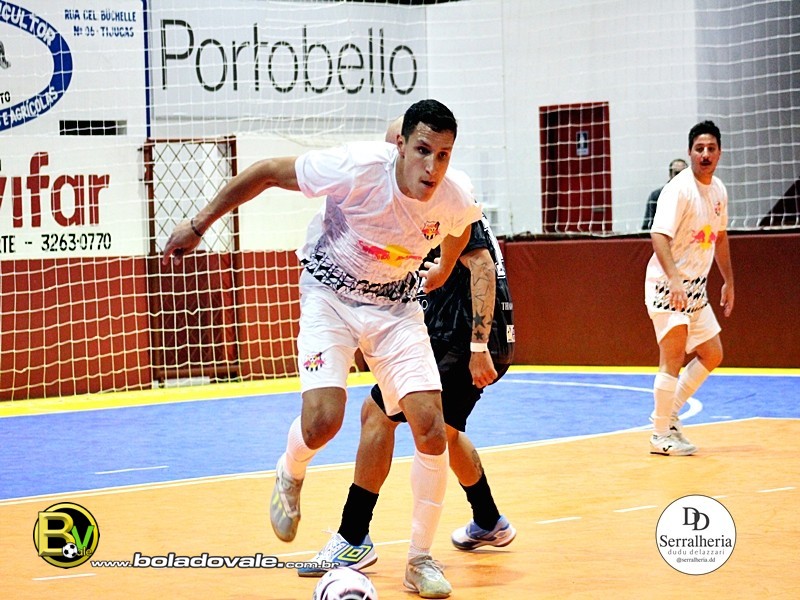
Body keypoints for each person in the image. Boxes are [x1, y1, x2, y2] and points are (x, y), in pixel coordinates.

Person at [161, 99, 482, 596]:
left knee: (430, 428)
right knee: (322, 422)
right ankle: (290, 470)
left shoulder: (454, 193)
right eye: (423, 150)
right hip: (329, 296)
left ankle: (419, 559)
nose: (432, 167)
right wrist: (200, 226)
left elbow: (458, 227)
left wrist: (441, 268)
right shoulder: (358, 167)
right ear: (400, 145)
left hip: (395, 308)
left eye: (443, 155)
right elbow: (267, 171)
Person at [296, 117, 516, 598]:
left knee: (385, 417)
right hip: (452, 331)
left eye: (430, 152)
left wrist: (479, 346)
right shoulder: (396, 191)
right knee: (440, 430)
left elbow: (480, 264)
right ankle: (488, 520)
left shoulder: (447, 199)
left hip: (463, 333)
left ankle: (358, 539)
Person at [645, 120, 734, 456]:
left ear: (719, 153)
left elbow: (720, 238)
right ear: (690, 152)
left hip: (695, 289)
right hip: (668, 286)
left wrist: (728, 280)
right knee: (672, 358)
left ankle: (669, 414)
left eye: (711, 148)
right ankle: (659, 434)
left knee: (713, 353)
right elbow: (658, 235)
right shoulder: (679, 189)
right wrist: (673, 278)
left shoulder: (719, 190)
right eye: (699, 149)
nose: (705, 154)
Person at [642, 158, 688, 230]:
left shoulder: (693, 196)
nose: (680, 177)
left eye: (683, 173)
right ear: (670, 175)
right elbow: (647, 227)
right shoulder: (656, 196)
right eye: (677, 173)